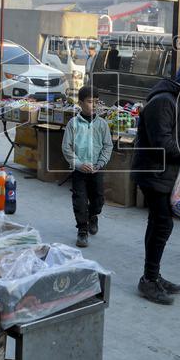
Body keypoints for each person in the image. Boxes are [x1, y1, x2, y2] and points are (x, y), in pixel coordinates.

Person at [132, 57, 180, 305]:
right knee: (162, 224)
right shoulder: (164, 102)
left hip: (164, 173)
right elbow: (163, 144)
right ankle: (149, 280)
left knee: (159, 224)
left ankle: (153, 276)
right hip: (153, 173)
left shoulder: (179, 101)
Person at [62, 86, 113, 248]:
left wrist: (101, 163)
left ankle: (93, 216)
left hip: (97, 169)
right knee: (80, 201)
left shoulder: (102, 124)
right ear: (80, 103)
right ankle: (82, 230)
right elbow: (66, 148)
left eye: (96, 102)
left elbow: (108, 146)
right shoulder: (73, 124)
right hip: (79, 170)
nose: (94, 105)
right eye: (90, 102)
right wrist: (78, 164)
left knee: (98, 200)